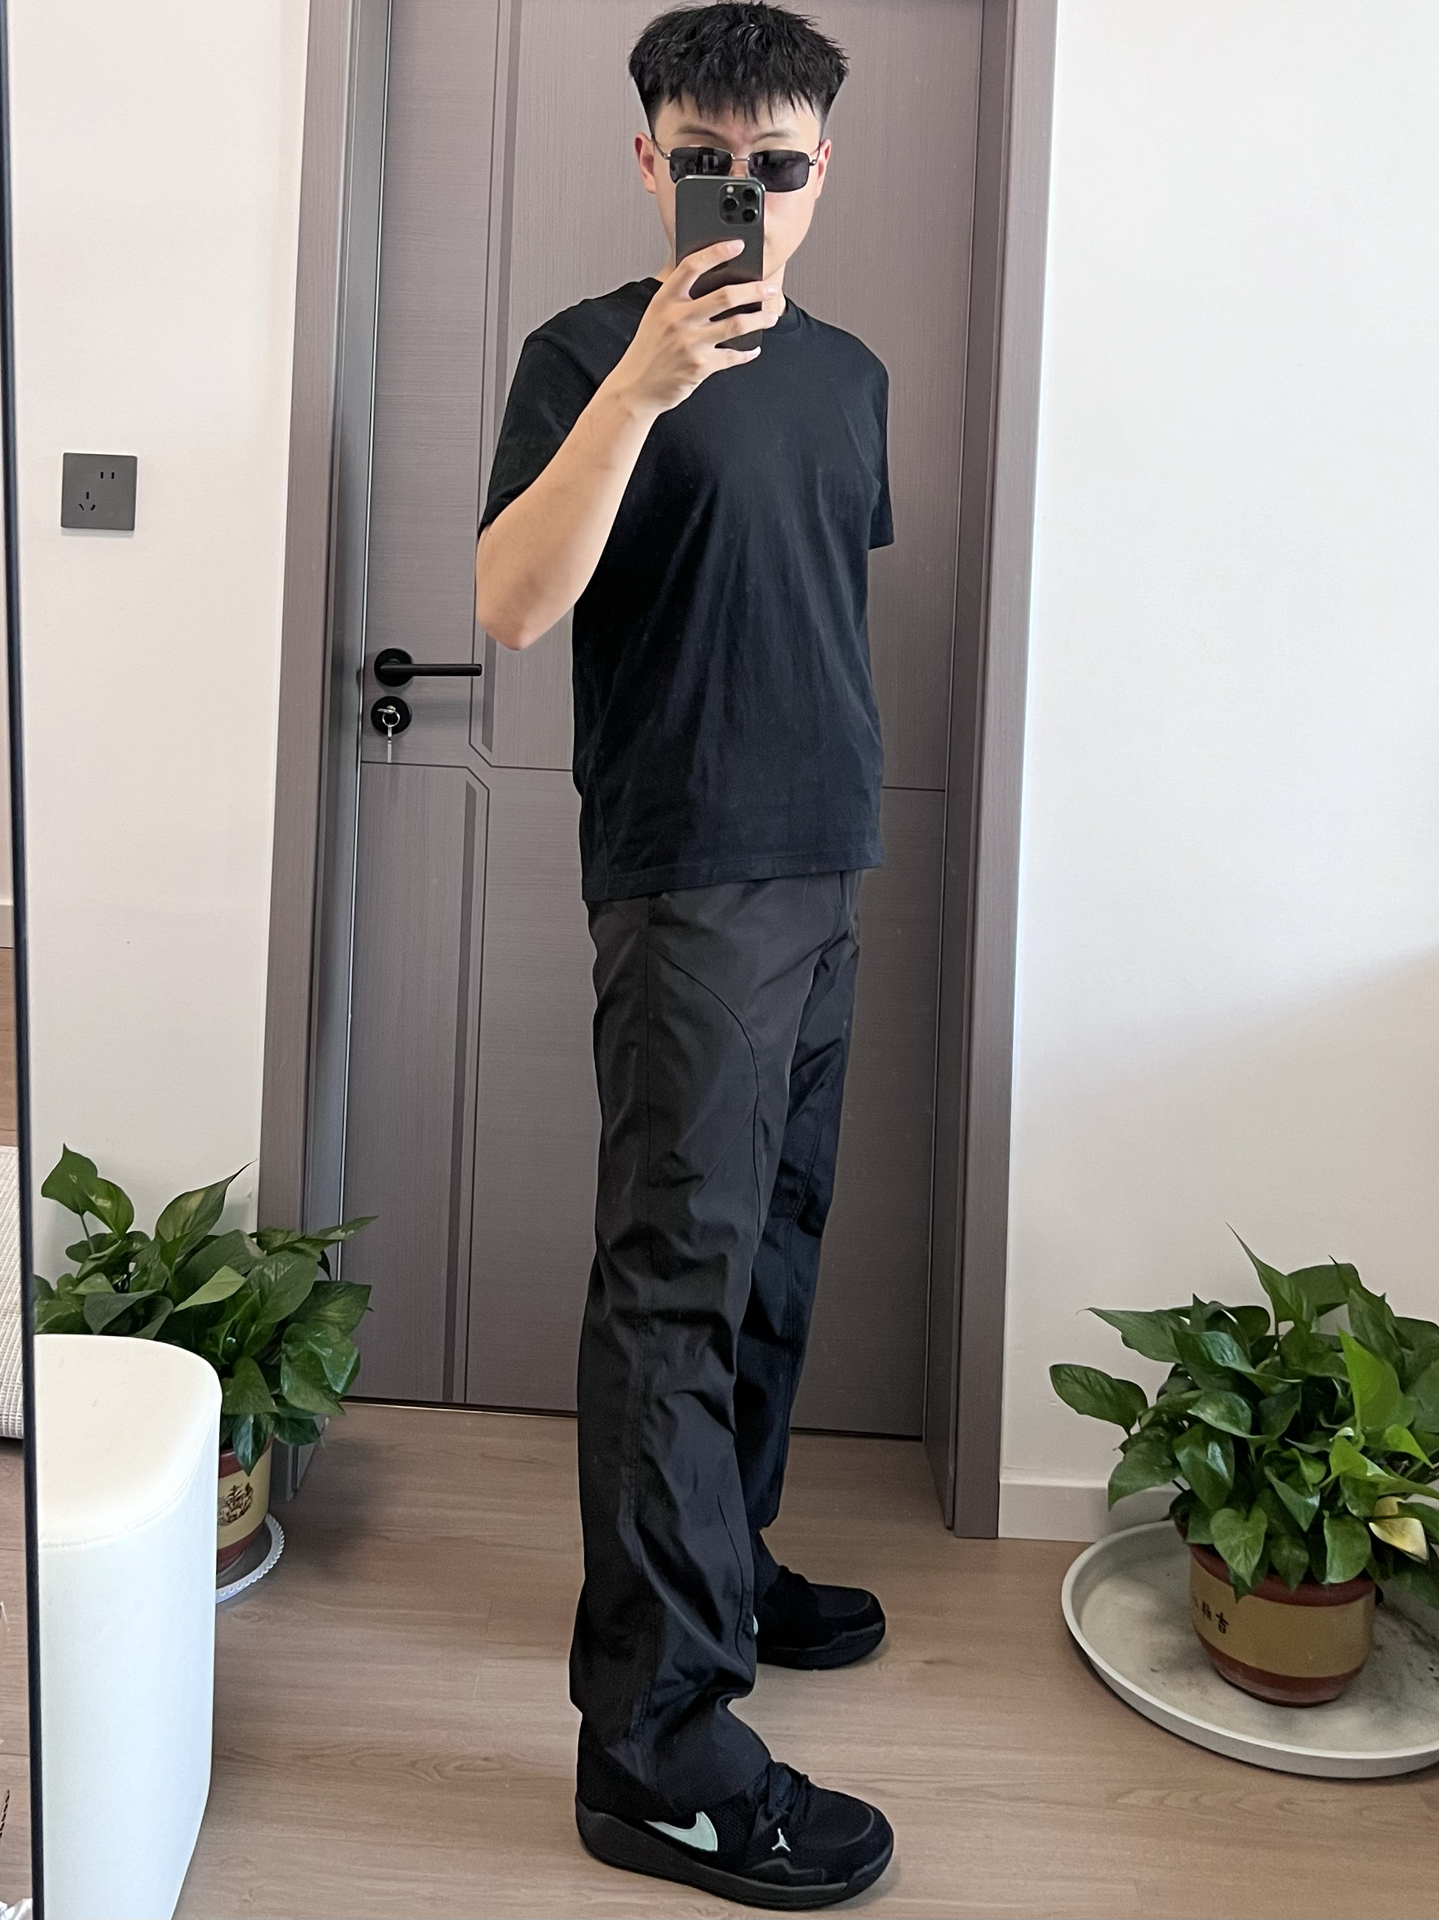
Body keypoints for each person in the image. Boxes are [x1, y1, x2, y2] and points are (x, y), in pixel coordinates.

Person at [476, 3, 894, 1905]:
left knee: (773, 1258)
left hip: (826, 866)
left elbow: (801, 610)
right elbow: (512, 603)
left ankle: (727, 1564)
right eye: (710, 160)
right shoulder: (584, 357)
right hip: (686, 877)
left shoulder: (855, 379)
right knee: (676, 1283)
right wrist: (641, 393)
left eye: (777, 165)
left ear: (822, 172)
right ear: (653, 161)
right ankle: (655, 1753)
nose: (747, 193)